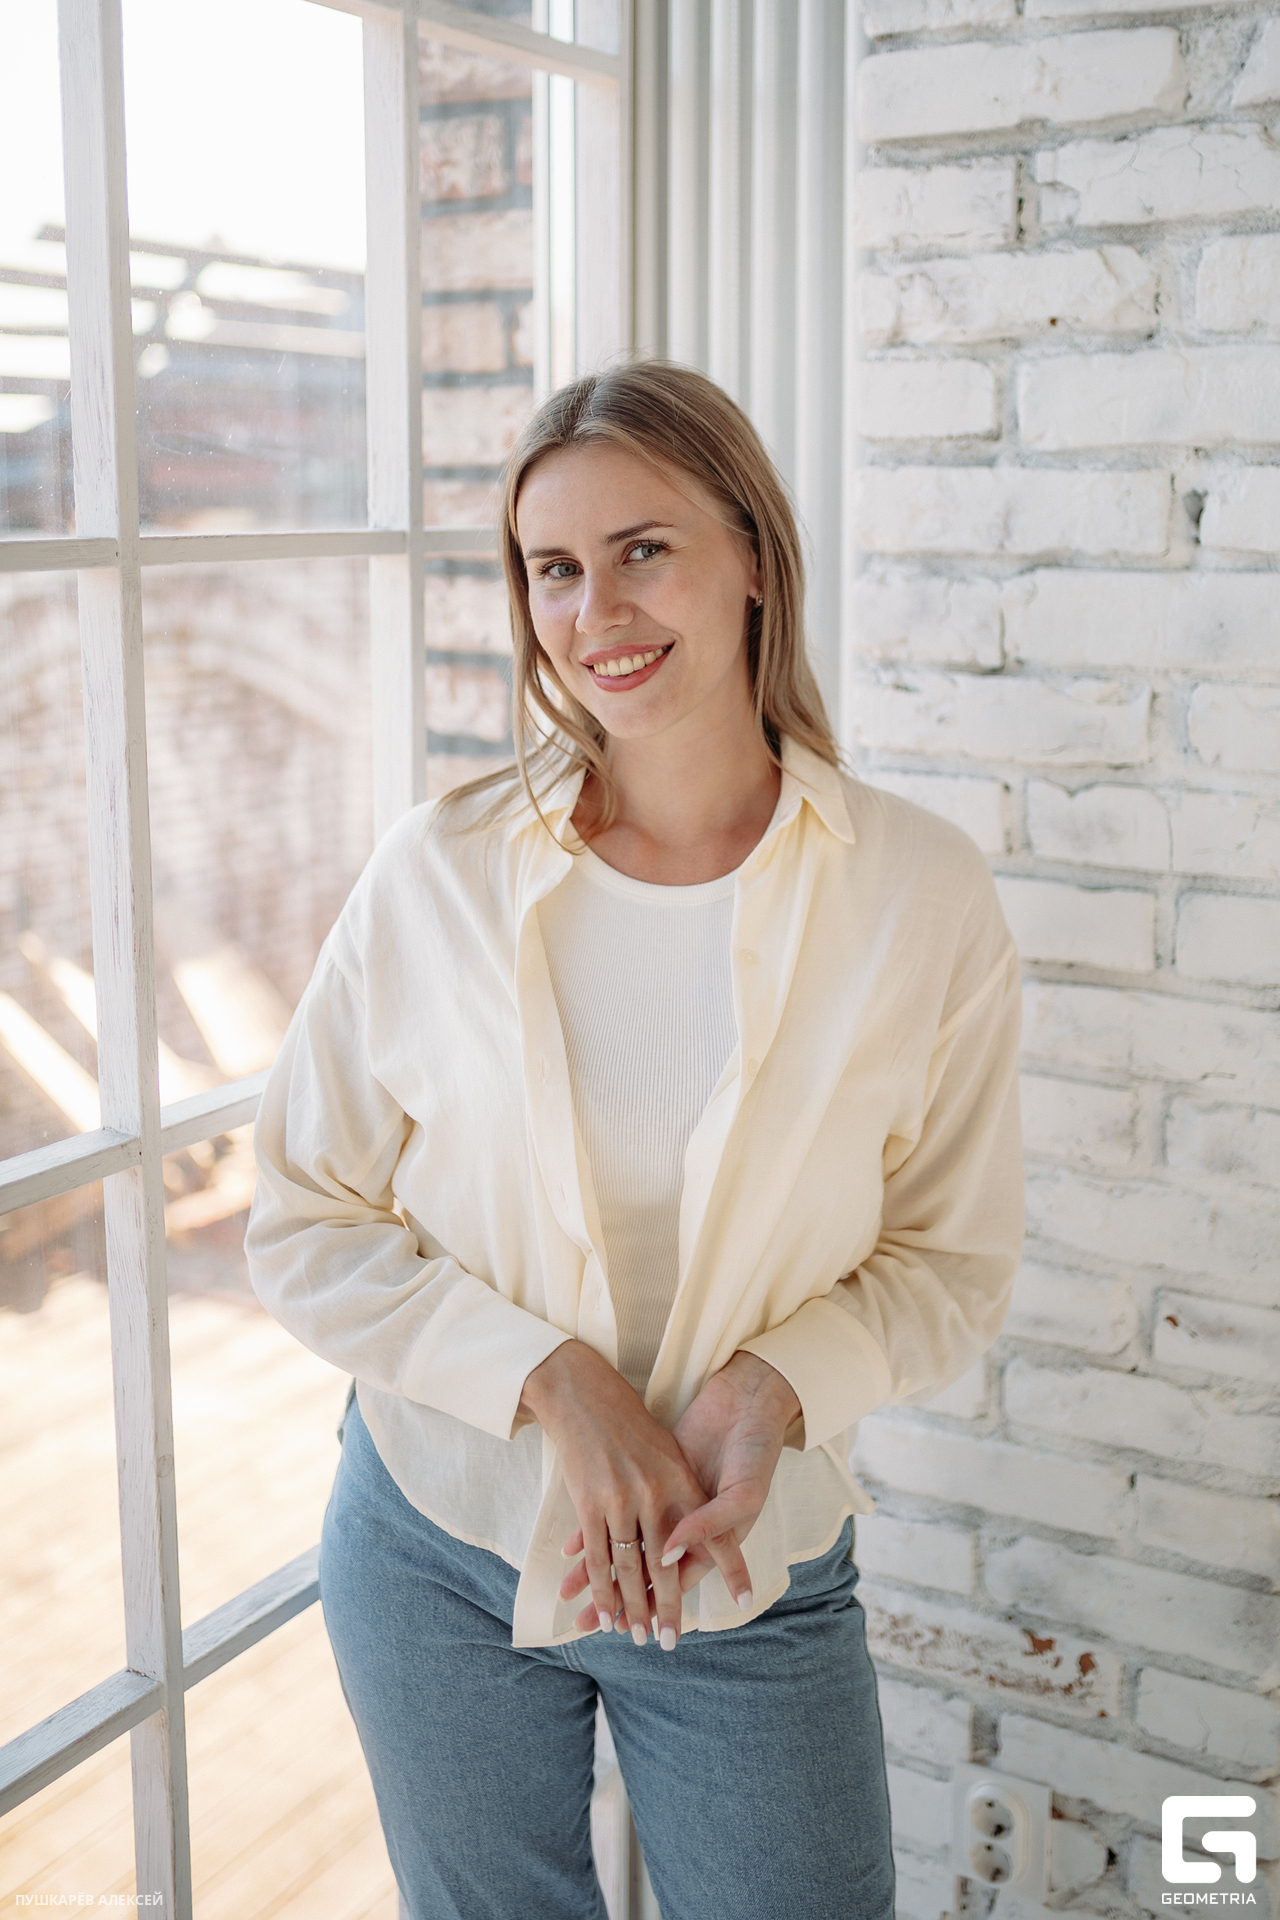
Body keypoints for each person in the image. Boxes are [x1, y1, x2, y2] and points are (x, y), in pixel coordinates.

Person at [245, 360, 1024, 1920]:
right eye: (553, 567)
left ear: (754, 557)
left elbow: (949, 1262)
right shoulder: (438, 873)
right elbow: (304, 1217)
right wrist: (552, 1380)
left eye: (643, 550)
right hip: (439, 1539)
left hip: (744, 1566)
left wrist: (771, 1386)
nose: (594, 607)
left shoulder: (919, 895)